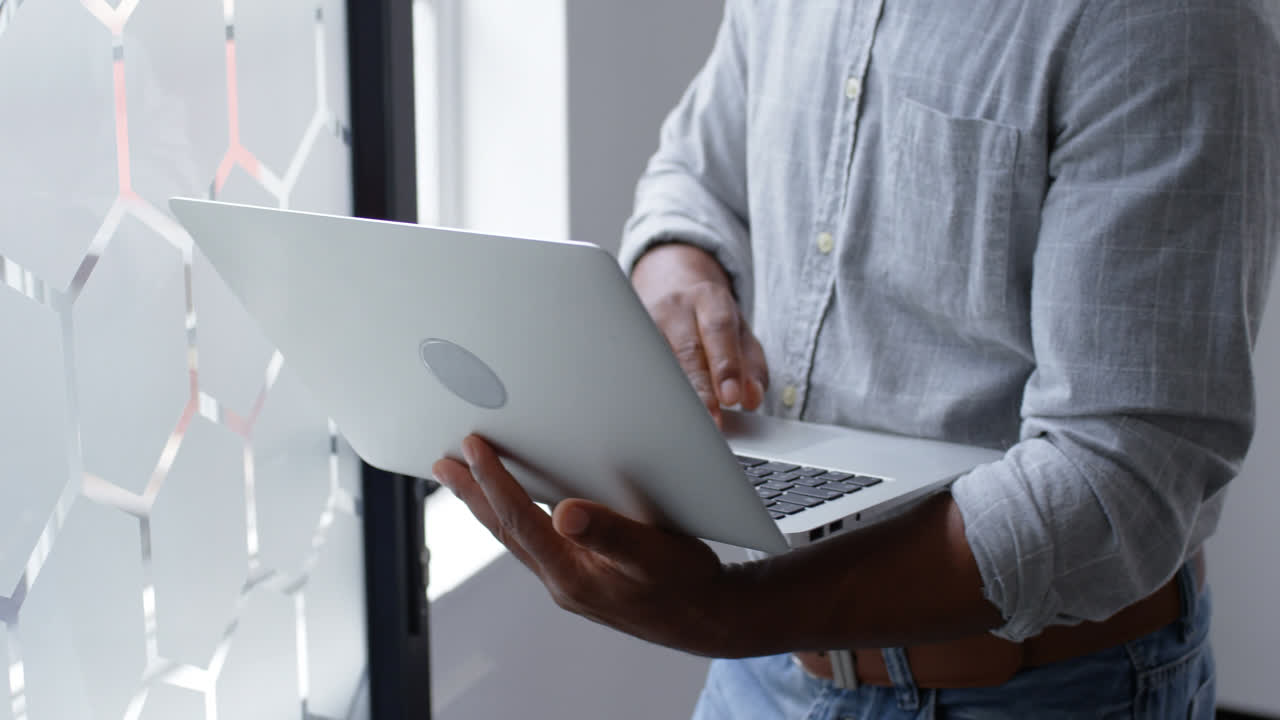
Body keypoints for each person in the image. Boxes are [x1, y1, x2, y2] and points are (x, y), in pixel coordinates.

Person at [432, 1, 1280, 717]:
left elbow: (1121, 478)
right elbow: (695, 171)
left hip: (1038, 690)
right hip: (761, 671)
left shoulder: (1170, 25)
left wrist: (732, 614)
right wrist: (677, 265)